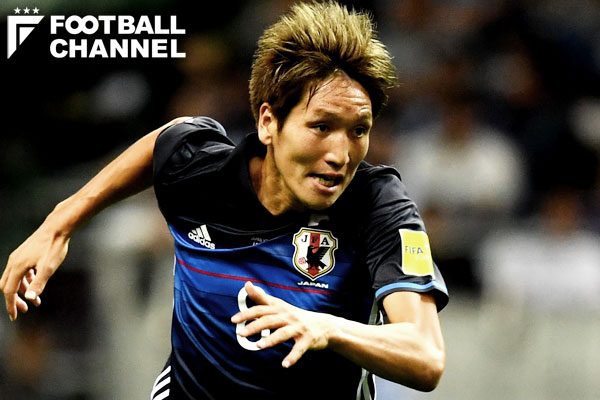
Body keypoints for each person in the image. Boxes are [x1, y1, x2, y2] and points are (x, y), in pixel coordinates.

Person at [1, 2, 449, 399]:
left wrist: (325, 327)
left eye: (358, 130)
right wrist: (60, 223)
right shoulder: (205, 174)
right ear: (268, 122)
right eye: (321, 126)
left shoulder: (377, 204)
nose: (340, 154)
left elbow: (426, 356)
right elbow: (166, 140)